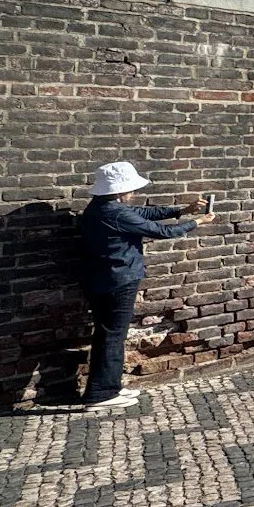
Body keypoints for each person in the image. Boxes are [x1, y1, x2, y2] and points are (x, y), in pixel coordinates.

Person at [78, 162, 209, 410]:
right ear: (119, 190)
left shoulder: (99, 208)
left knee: (108, 334)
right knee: (112, 335)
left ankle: (109, 387)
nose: (133, 193)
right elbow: (159, 231)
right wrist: (196, 223)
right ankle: (99, 394)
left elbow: (143, 213)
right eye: (130, 189)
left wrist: (181, 211)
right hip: (119, 279)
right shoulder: (116, 213)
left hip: (99, 278)